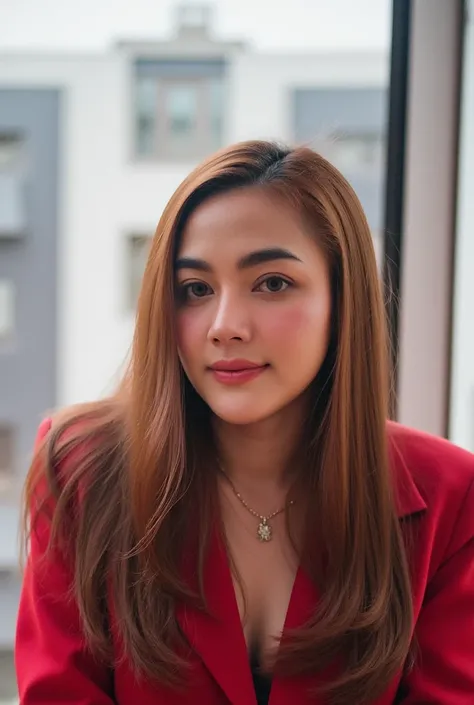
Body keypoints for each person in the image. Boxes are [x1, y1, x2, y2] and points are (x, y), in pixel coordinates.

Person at [16, 140, 474, 705]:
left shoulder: (452, 495)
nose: (224, 326)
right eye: (196, 290)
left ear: (343, 298)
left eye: (272, 283)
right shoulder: (79, 470)